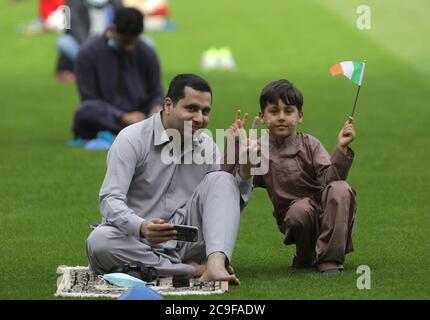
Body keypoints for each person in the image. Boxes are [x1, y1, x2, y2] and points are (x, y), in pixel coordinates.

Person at [86, 74, 254, 284]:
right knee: (99, 242)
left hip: (186, 240)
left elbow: (223, 204)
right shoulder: (131, 139)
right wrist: (142, 226)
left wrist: (246, 171)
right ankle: (190, 269)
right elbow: (109, 200)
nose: (200, 118)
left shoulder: (207, 144)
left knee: (222, 179)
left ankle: (215, 266)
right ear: (168, 105)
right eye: (191, 108)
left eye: (205, 111)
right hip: (136, 239)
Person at [223, 79, 357, 274]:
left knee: (341, 188)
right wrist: (236, 146)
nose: (281, 117)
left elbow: (331, 179)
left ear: (299, 116)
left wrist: (341, 148)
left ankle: (330, 259)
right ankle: (305, 254)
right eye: (274, 111)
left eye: (288, 111)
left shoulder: (310, 144)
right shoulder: (258, 149)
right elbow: (231, 184)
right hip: (294, 218)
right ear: (262, 116)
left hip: (327, 212)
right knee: (300, 210)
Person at [72, 7, 164, 140]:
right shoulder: (88, 52)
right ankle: (140, 132)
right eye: (126, 42)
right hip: (108, 115)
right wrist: (122, 116)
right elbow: (89, 98)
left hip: (142, 115)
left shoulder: (146, 52)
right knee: (84, 113)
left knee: (174, 111)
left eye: (134, 42)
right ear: (113, 30)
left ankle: (140, 130)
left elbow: (156, 92)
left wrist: (155, 109)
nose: (130, 47)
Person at [56, 0, 123, 81]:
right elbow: (74, 28)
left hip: (111, 43)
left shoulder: (115, 3)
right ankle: (95, 67)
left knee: (141, 41)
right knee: (64, 42)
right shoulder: (72, 2)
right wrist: (91, 47)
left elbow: (123, 24)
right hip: (85, 44)